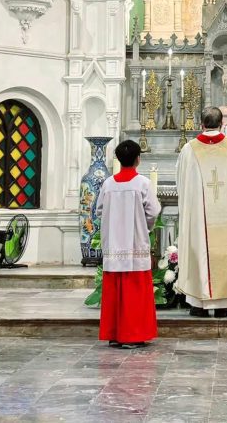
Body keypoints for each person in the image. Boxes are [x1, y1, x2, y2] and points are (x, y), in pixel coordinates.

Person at [176, 106, 227, 318]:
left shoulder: (189, 149)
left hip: (199, 217)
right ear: (222, 124)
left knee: (199, 247)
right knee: (226, 248)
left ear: (201, 124)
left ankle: (199, 303)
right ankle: (225, 304)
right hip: (225, 217)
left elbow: (181, 182)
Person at [97, 140, 160, 348]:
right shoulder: (142, 184)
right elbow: (153, 211)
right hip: (135, 243)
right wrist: (145, 227)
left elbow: (99, 210)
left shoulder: (108, 184)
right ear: (138, 159)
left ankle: (114, 334)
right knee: (135, 292)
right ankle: (132, 335)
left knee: (114, 291)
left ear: (118, 159)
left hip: (114, 244)